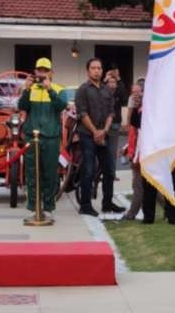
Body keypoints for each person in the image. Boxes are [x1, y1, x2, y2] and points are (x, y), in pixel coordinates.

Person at [18, 58, 67, 220]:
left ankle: (48, 208)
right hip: (32, 137)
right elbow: (22, 106)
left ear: (51, 73)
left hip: (51, 138)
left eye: (45, 70)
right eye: (40, 70)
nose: (42, 73)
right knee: (31, 173)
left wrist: (50, 90)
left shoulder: (59, 89)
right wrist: (26, 89)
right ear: (35, 72)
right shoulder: (29, 89)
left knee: (50, 174)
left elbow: (61, 106)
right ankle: (33, 207)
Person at [74, 58, 122, 216]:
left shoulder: (106, 90)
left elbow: (111, 112)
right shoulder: (82, 89)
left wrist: (104, 131)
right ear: (88, 71)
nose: (97, 71)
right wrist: (95, 132)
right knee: (88, 170)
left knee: (109, 170)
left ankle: (107, 203)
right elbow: (82, 113)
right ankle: (85, 205)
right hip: (88, 135)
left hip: (104, 135)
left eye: (99, 68)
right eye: (93, 68)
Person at [123, 82, 145, 221]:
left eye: (138, 93)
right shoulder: (137, 111)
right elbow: (133, 135)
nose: (135, 96)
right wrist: (126, 148)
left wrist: (135, 156)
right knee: (145, 186)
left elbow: (141, 136)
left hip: (141, 156)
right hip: (136, 154)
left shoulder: (144, 113)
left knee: (138, 186)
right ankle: (169, 208)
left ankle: (132, 213)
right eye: (133, 93)